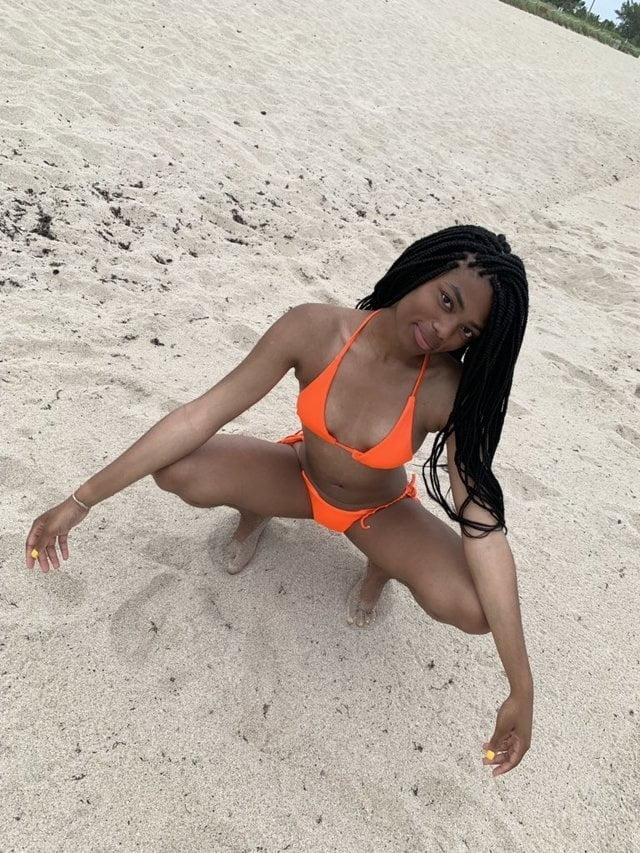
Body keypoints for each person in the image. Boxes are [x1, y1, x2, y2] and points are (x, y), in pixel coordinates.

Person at [25, 225, 532, 777]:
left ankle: (381, 565)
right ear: (420, 269)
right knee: (178, 469)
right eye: (446, 301)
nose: (444, 330)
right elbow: (200, 415)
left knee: (474, 608)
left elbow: (482, 524)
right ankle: (257, 509)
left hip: (377, 512)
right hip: (298, 476)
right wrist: (81, 500)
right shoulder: (315, 329)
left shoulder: (447, 389)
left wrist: (520, 687)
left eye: (467, 330)